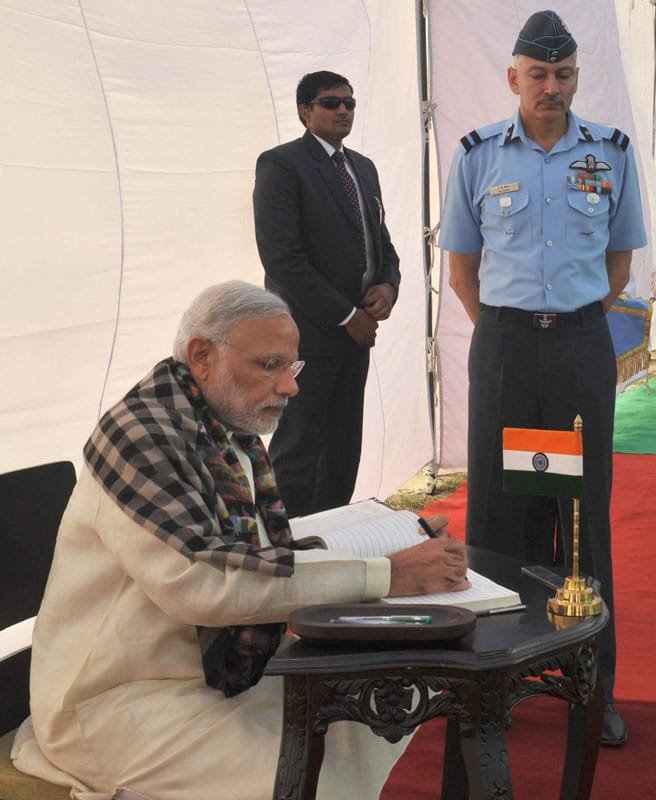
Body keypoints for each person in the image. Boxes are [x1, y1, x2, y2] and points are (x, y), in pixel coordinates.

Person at [11, 281, 468, 800]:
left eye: (291, 368)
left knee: (384, 696)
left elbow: (256, 553)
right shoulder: (141, 435)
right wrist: (390, 575)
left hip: (202, 677)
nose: (289, 387)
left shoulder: (220, 426)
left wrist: (394, 545)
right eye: (269, 365)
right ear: (201, 355)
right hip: (114, 702)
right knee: (314, 772)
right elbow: (204, 583)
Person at [438, 10, 647, 747]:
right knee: (501, 515)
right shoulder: (477, 154)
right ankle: (495, 685)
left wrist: (565, 321)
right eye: (537, 75)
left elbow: (620, 265)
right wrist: (514, 328)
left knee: (579, 515)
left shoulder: (614, 153)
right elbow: (462, 270)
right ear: (513, 79)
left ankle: (594, 689)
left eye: (562, 75)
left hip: (579, 349)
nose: (550, 88)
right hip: (504, 348)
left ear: (576, 79)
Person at [253, 70, 400, 518]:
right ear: (305, 110)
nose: (343, 110)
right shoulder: (281, 165)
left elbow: (381, 241)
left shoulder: (363, 167)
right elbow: (282, 258)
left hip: (357, 335)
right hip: (306, 334)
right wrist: (344, 315)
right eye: (331, 102)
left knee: (341, 447)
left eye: (350, 103)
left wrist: (389, 286)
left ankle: (334, 539)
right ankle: (287, 546)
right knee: (299, 446)